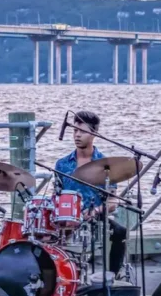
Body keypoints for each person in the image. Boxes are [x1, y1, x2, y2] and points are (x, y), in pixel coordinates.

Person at [54, 110, 128, 276]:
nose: (77, 135)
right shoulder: (62, 164)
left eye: (82, 131)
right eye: (74, 130)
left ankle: (112, 276)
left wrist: (95, 211)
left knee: (120, 231)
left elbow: (112, 200)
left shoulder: (106, 164)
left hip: (94, 217)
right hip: (67, 218)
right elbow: (56, 196)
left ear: (94, 133)